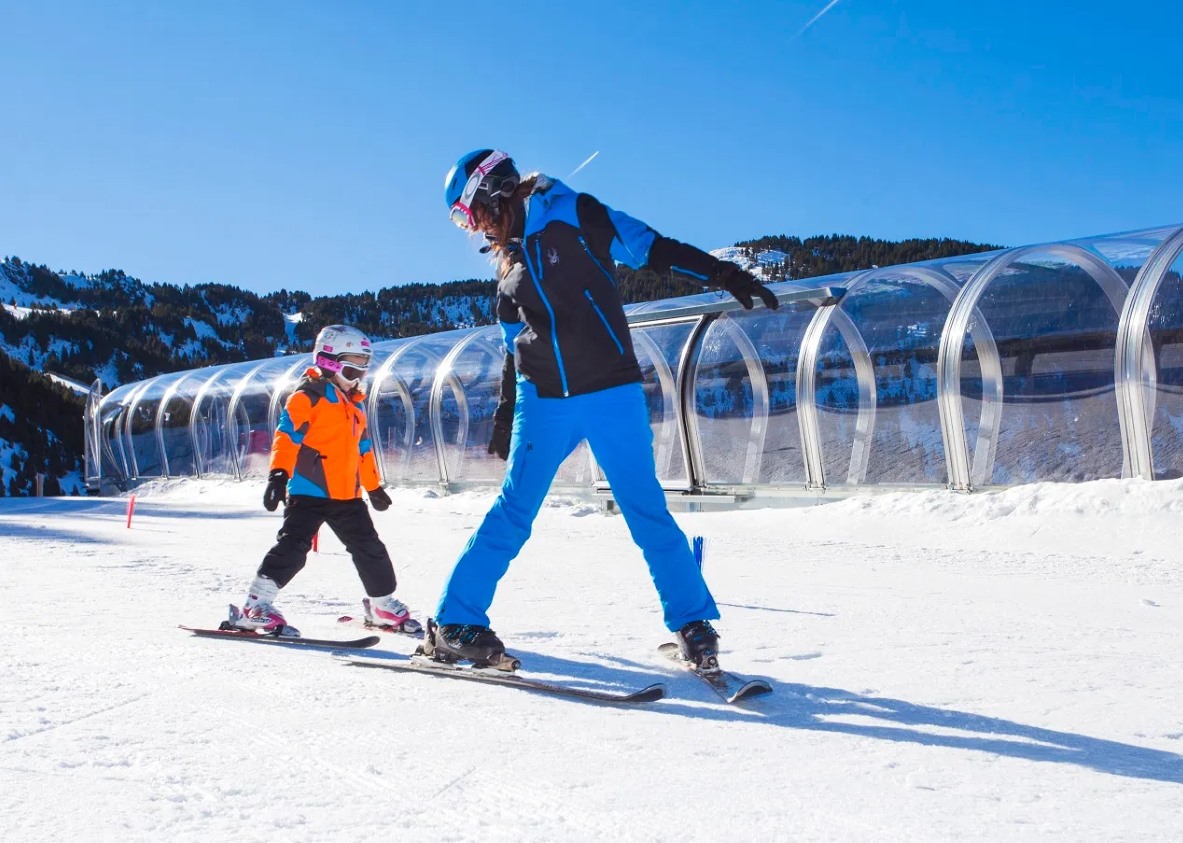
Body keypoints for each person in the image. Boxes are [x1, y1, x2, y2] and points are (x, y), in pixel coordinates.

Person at [424, 148, 779, 673]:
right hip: (542, 401)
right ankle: (456, 622)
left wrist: (723, 273)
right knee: (514, 512)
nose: (472, 227)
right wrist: (505, 416)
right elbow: (510, 346)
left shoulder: (576, 212)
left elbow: (651, 248)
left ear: (493, 191)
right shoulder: (509, 265)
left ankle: (693, 625)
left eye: (469, 213)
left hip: (611, 392)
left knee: (646, 510)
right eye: (462, 221)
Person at [231, 324, 421, 637]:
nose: (359, 372)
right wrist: (279, 474)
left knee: (370, 548)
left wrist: (373, 487)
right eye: (352, 363)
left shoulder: (355, 404)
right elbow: (287, 436)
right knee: (293, 547)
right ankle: (255, 606)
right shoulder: (308, 396)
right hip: (309, 490)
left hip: (347, 495)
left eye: (364, 365)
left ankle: (381, 604)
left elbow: (363, 449)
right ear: (329, 361)